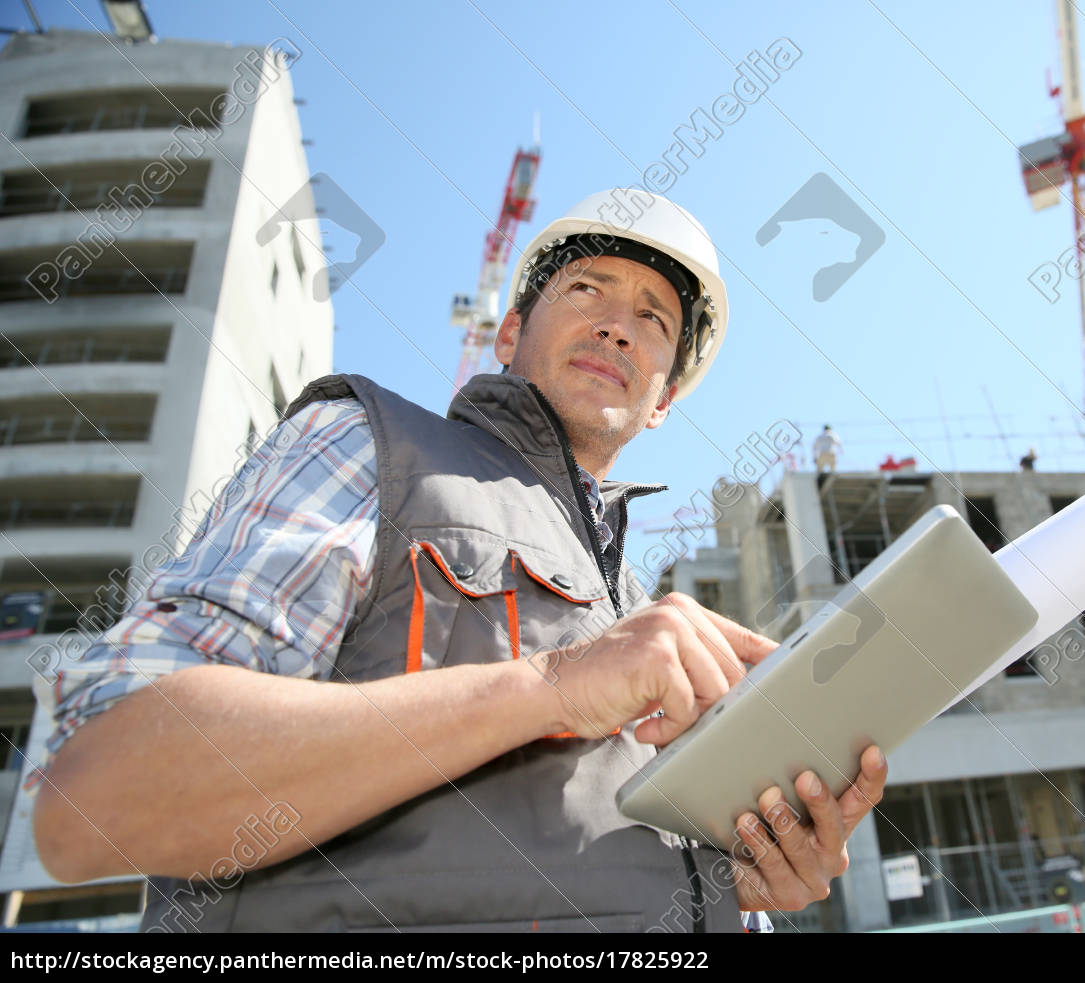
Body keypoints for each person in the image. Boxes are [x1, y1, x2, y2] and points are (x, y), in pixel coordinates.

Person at [31, 190, 887, 933]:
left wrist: (734, 882)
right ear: (510, 329)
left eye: (654, 319)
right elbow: (98, 794)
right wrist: (550, 685)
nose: (617, 326)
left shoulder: (640, 610)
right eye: (587, 287)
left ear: (663, 399)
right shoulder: (371, 448)